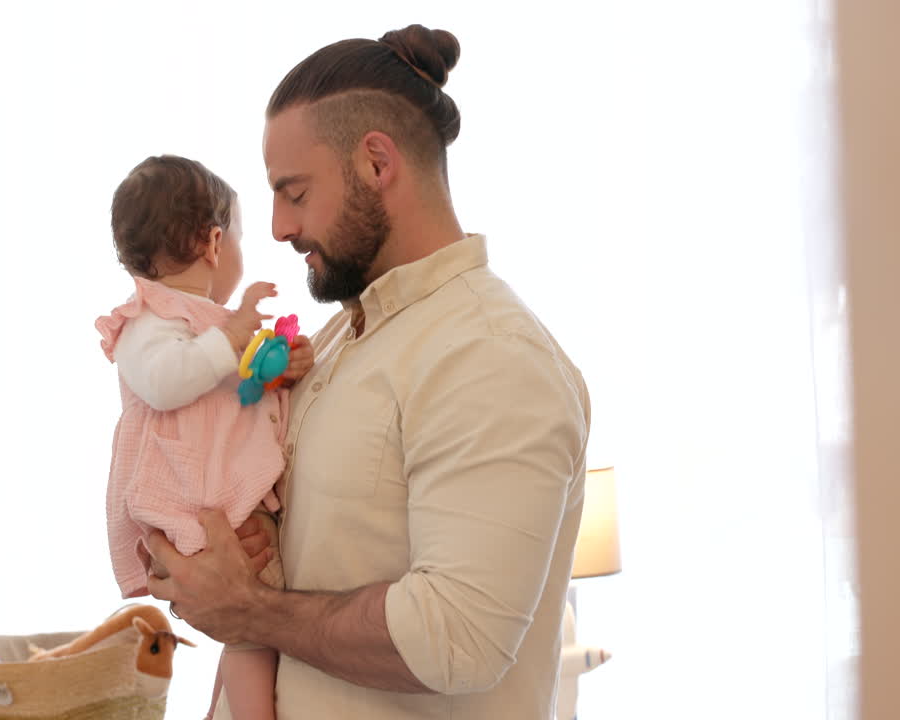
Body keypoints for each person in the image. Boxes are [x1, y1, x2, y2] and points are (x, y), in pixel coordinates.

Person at [146, 24, 591, 720]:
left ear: (377, 163)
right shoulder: (338, 343)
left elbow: (458, 636)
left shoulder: (490, 356)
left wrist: (249, 609)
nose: (277, 228)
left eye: (293, 192)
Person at [95, 155, 314, 720]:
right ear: (215, 243)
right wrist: (234, 336)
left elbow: (235, 394)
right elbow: (169, 384)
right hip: (194, 503)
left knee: (263, 618)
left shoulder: (207, 322)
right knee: (251, 630)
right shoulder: (146, 321)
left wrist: (276, 367)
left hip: (227, 494)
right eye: (238, 236)